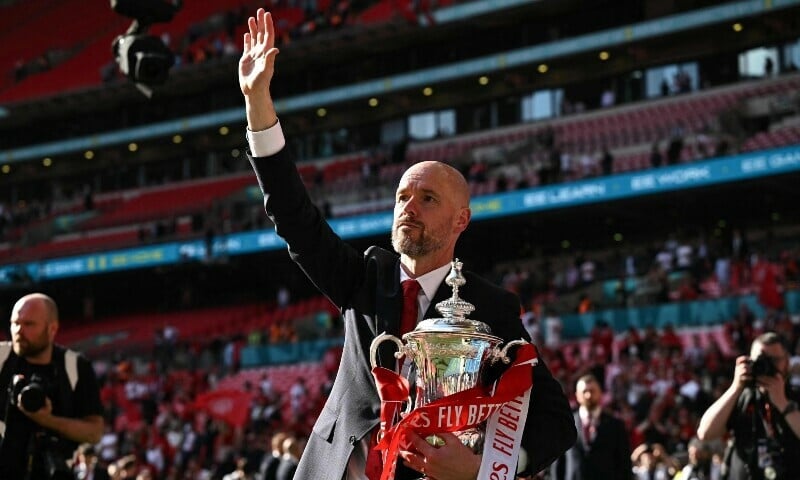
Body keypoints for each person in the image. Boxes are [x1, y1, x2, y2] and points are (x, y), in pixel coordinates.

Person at [239, 9, 575, 480]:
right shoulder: (364, 278)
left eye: (427, 198)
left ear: (461, 220)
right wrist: (258, 107)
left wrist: (483, 468)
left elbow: (556, 422)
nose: (408, 206)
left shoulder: (490, 307)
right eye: (402, 196)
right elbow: (295, 219)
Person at [0, 293, 104, 479]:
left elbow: (94, 432)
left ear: (52, 328)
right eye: (15, 323)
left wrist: (46, 419)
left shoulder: (75, 367)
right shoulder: (1, 358)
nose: (18, 330)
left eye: (29, 324)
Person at [697, 332, 800, 479]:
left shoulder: (795, 397)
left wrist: (783, 404)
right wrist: (736, 386)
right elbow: (705, 433)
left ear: (787, 363)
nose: (767, 365)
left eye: (774, 360)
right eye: (760, 360)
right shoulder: (742, 397)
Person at [551, 374, 632, 480]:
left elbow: (624, 463)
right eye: (584, 391)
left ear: (600, 393)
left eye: (592, 391)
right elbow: (557, 463)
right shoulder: (566, 424)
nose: (588, 395)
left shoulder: (615, 425)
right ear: (577, 395)